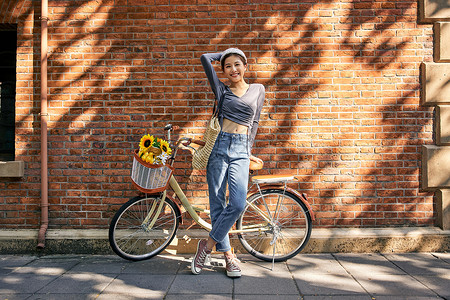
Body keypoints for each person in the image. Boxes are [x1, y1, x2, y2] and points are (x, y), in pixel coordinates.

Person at [191, 48, 265, 278]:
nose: (233, 69)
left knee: (237, 203)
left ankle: (207, 246)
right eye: (227, 66)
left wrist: (248, 150)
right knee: (217, 204)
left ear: (245, 66)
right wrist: (226, 52)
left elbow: (255, 122)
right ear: (223, 71)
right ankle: (229, 256)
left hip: (241, 148)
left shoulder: (258, 90)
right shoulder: (222, 90)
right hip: (219, 147)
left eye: (237, 64)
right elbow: (205, 58)